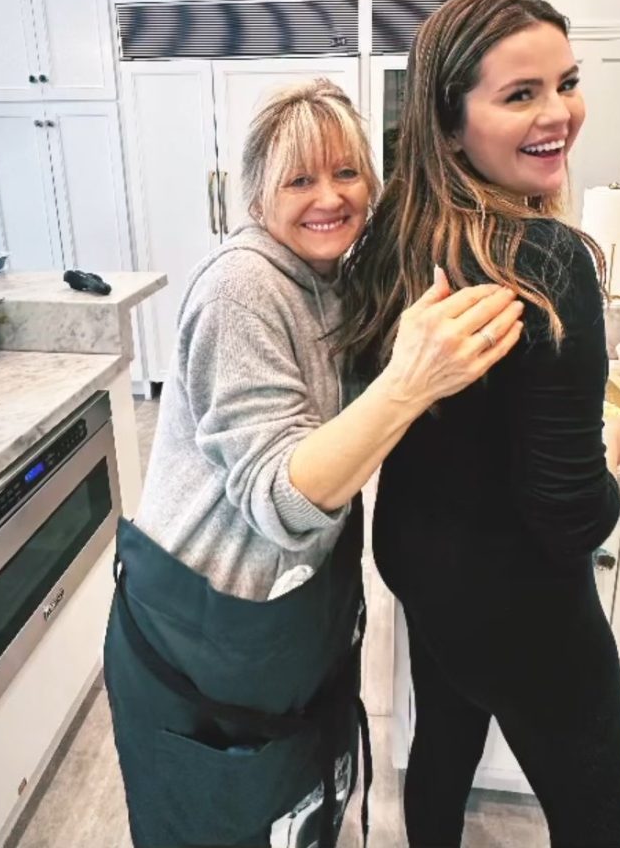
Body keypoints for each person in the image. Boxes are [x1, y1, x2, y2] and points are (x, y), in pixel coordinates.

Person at [103, 78, 525, 848]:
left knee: (293, 813)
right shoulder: (241, 289)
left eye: (346, 173)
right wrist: (408, 382)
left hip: (278, 621)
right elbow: (280, 501)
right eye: (298, 179)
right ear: (255, 196)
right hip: (208, 629)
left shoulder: (333, 281)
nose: (329, 197)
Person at [339, 0, 620, 848]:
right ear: (448, 122)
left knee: (443, 745)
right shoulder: (548, 260)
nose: (557, 114)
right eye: (519, 95)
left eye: (566, 83)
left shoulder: (394, 236)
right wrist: (607, 450)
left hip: (424, 569)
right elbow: (568, 513)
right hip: (526, 606)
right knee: (593, 825)